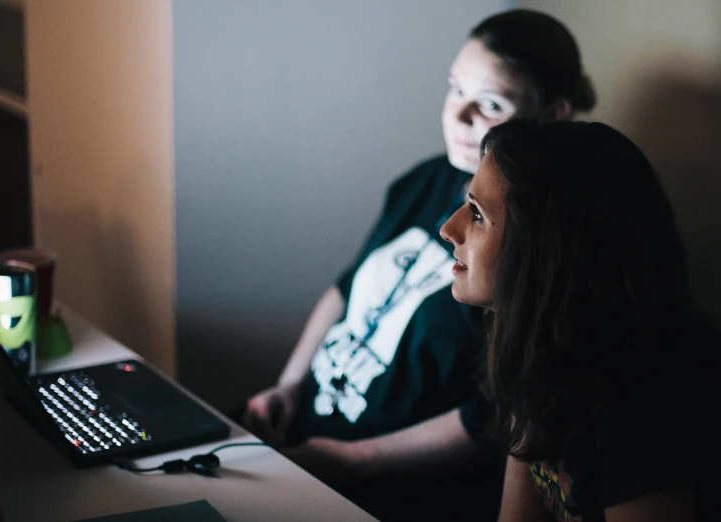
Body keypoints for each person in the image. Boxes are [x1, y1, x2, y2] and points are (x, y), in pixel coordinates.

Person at [242, 9, 595, 520]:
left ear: (554, 113)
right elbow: (346, 291)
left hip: (389, 485)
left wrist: (348, 462)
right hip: (304, 435)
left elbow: (496, 417)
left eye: (490, 103)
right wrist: (290, 386)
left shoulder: (546, 242)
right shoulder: (426, 179)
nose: (458, 115)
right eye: (455, 89)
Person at [439, 117, 721, 521]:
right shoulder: (534, 345)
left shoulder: (645, 405)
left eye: (478, 214)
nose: (449, 228)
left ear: (548, 247)